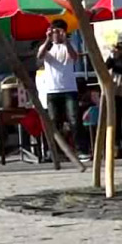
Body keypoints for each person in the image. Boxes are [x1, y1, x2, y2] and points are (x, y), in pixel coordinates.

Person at [37, 20, 79, 157]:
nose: (56, 35)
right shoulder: (48, 47)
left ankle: (79, 149)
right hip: (52, 90)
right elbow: (39, 56)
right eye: (53, 31)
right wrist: (47, 39)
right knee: (54, 122)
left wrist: (65, 41)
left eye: (58, 32)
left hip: (69, 89)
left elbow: (74, 57)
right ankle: (55, 151)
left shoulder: (70, 45)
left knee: (74, 120)